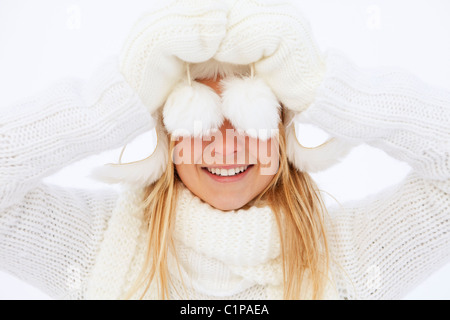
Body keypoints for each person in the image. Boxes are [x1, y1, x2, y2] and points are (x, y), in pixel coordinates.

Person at [0, 0, 449, 300]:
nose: (227, 144)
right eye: (200, 116)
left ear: (281, 130)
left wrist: (321, 88)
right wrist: (118, 98)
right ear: (169, 135)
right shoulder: (105, 245)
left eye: (250, 113)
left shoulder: (343, 256)